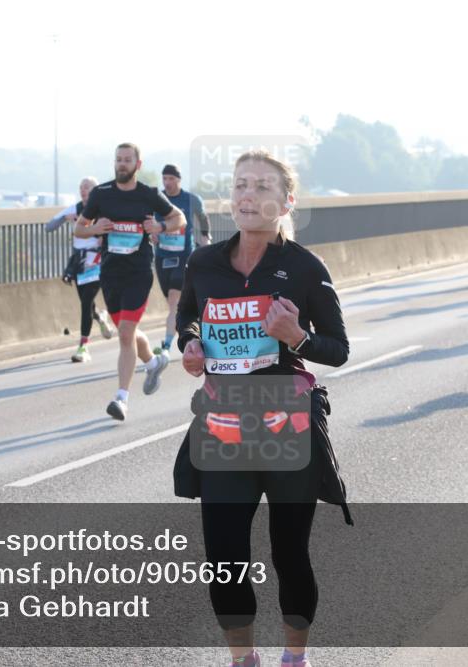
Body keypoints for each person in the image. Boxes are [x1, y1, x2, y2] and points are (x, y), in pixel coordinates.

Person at [174, 150, 351, 667]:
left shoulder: (303, 267)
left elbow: (337, 349)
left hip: (285, 423)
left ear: (285, 201)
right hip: (223, 422)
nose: (248, 195)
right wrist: (190, 346)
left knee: (288, 553)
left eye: (261, 187)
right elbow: (188, 319)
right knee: (224, 558)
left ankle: (295, 658)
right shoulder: (204, 263)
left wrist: (297, 337)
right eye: (240, 185)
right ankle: (242, 659)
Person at [74, 143, 187, 420]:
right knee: (128, 332)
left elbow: (179, 218)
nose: (122, 164)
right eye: (118, 160)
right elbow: (79, 227)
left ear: (138, 164)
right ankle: (153, 362)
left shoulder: (148, 194)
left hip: (138, 272)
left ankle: (121, 399)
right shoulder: (101, 194)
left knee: (125, 333)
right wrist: (94, 229)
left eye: (127, 160)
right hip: (111, 274)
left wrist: (160, 227)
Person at [45, 177, 115, 362]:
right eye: (81, 187)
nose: (83, 190)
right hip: (79, 261)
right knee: (86, 302)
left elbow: (113, 228)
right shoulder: (75, 208)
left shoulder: (104, 209)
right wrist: (64, 218)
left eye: (87, 187)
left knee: (86, 301)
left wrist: (100, 234)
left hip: (97, 260)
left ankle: (83, 346)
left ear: (96, 190)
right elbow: (48, 227)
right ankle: (100, 316)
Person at [152, 163, 211, 358]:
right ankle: (191, 333)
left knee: (173, 300)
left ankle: (167, 344)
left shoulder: (190, 199)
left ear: (178, 180)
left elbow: (203, 218)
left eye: (170, 179)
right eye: (164, 179)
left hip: (184, 255)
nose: (167, 182)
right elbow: (147, 219)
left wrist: (205, 236)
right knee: (173, 303)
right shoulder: (158, 199)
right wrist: (151, 234)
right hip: (162, 256)